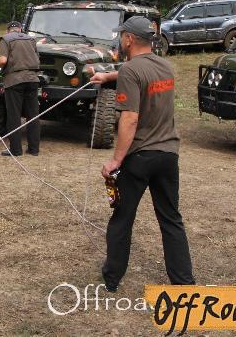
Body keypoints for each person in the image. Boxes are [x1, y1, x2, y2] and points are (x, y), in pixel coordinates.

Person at [89, 15, 194, 292]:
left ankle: (112, 278)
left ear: (129, 39)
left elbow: (130, 119)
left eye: (122, 36)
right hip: (168, 156)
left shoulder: (130, 70)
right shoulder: (166, 66)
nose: (120, 40)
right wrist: (108, 76)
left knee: (122, 218)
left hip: (140, 157)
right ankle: (184, 283)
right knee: (171, 219)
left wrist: (116, 160)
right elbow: (137, 76)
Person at [0, 20, 40, 156]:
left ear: (8, 31)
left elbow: (2, 60)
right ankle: (34, 149)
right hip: (33, 80)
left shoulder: (6, 39)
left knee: (14, 116)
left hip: (14, 81)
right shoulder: (31, 39)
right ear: (20, 30)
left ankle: (15, 150)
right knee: (33, 115)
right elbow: (37, 60)